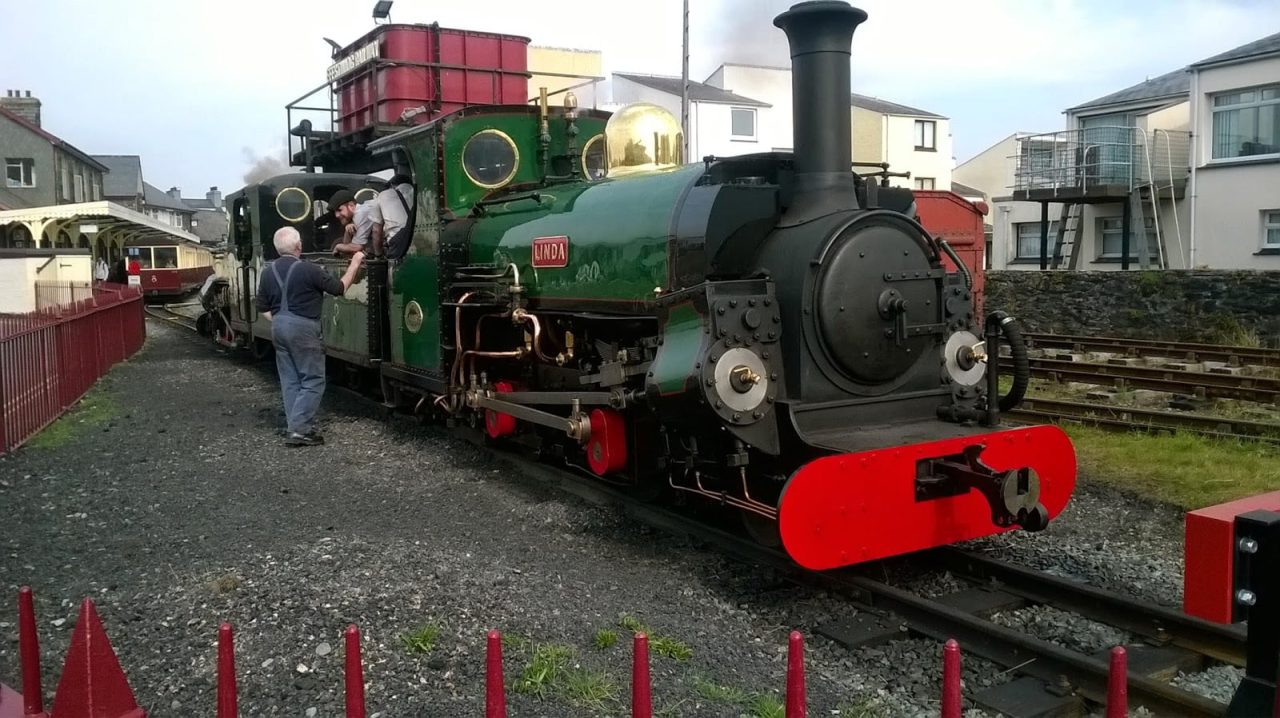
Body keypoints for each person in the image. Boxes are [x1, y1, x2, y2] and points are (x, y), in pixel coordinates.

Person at [256, 226, 364, 446]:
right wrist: (355, 263)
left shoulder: (268, 272)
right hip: (303, 328)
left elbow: (262, 307)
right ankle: (299, 429)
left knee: (290, 380)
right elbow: (339, 288)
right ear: (299, 246)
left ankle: (296, 425)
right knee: (313, 379)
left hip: (278, 326)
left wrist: (279, 321)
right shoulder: (309, 270)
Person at [371, 174, 414, 257]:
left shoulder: (382, 196)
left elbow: (376, 231)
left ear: (391, 185)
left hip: (398, 242)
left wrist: (378, 254)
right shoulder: (419, 193)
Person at [328, 189, 377, 257]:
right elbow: (347, 245)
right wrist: (347, 230)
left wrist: (337, 247)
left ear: (351, 206)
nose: (337, 215)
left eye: (340, 210)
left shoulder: (361, 213)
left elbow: (357, 247)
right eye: (335, 212)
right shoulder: (356, 216)